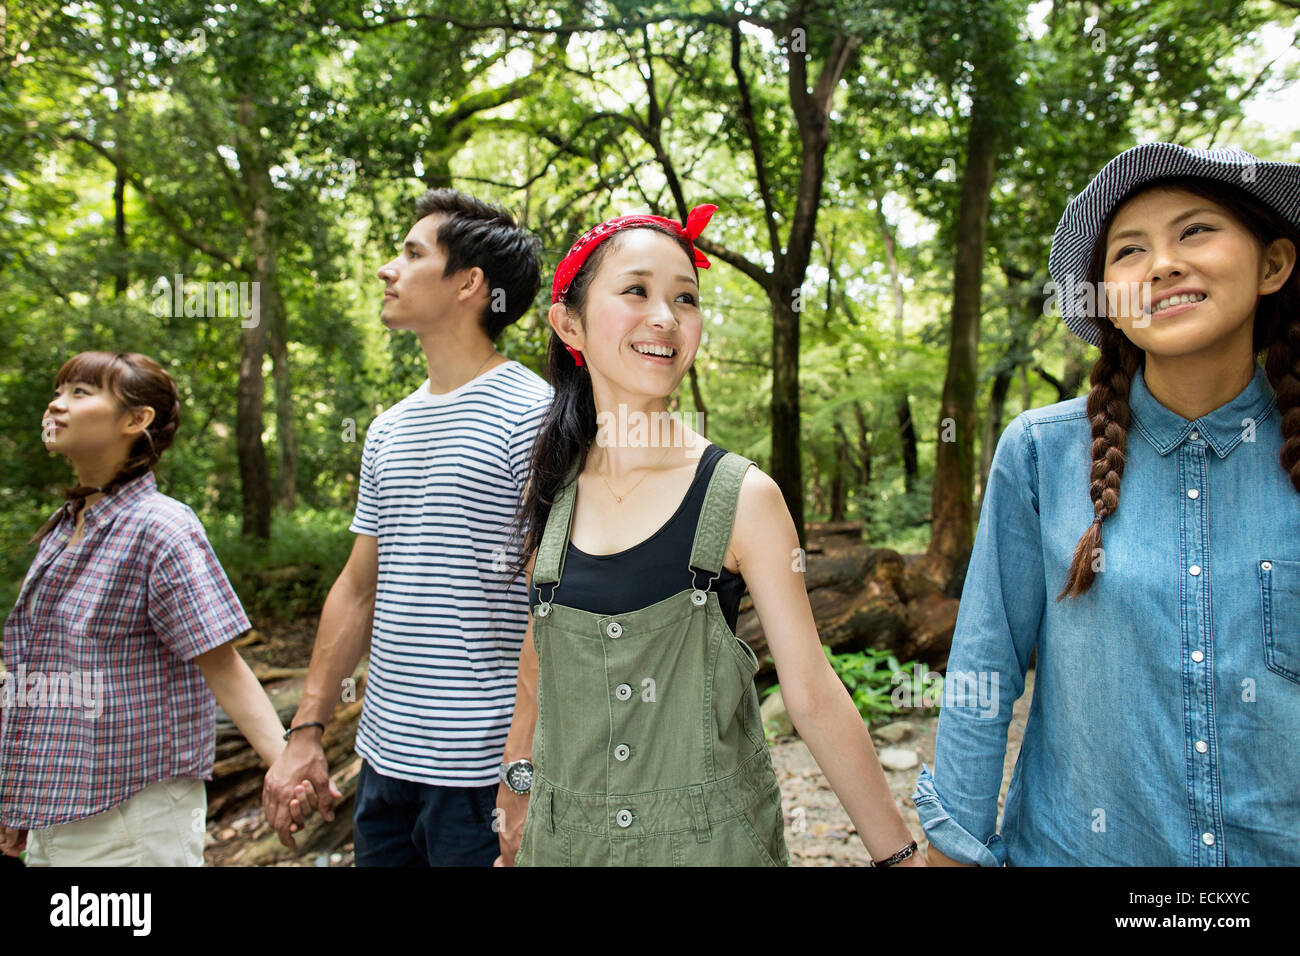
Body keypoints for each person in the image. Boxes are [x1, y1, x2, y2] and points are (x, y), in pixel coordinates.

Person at [494, 203, 923, 867]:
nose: (665, 317)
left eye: (685, 298)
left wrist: (899, 856)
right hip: (564, 847)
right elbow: (538, 656)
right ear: (568, 323)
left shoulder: (744, 497)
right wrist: (515, 790)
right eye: (635, 290)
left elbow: (809, 692)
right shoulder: (553, 486)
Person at [915, 143, 1300, 866]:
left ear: (1273, 264)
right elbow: (984, 666)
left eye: (1195, 232)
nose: (1162, 264)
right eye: (1128, 251)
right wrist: (954, 848)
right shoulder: (1040, 453)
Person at [263, 190, 552, 866]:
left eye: (412, 254)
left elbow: (558, 601)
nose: (388, 270)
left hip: (483, 775)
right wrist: (308, 729)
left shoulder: (534, 415)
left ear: (470, 285)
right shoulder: (389, 427)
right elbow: (359, 587)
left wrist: (523, 770)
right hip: (384, 763)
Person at [0, 351, 287, 866]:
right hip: (59, 811)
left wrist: (286, 767)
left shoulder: (161, 527)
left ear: (136, 420)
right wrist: (20, 795)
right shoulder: (66, 526)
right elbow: (41, 675)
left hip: (131, 820)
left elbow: (222, 665)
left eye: (79, 394)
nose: (55, 406)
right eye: (59, 391)